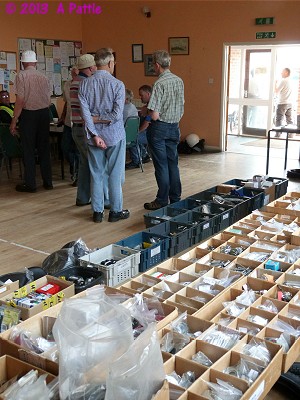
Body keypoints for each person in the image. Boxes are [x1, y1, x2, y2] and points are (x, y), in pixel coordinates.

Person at [78, 47, 129, 223]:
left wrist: (94, 131)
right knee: (115, 175)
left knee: (96, 174)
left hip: (93, 138)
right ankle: (115, 211)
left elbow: (85, 116)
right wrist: (102, 119)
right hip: (114, 135)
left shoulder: (84, 84)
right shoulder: (118, 85)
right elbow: (116, 115)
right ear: (109, 63)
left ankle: (97, 212)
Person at [144, 50, 184, 211]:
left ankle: (161, 200)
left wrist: (145, 111)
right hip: (175, 127)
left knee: (161, 166)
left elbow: (154, 115)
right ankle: (176, 198)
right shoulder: (179, 81)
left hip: (159, 128)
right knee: (173, 164)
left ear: (157, 65)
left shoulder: (159, 84)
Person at [10, 50, 53, 193]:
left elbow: (20, 100)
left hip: (29, 115)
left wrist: (14, 120)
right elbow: (48, 101)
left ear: (22, 63)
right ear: (35, 63)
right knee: (44, 149)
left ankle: (31, 184)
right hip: (44, 114)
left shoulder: (21, 76)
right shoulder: (44, 77)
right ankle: (48, 182)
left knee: (28, 149)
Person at [59, 66, 80, 186]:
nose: (74, 75)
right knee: (65, 148)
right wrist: (62, 117)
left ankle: (77, 174)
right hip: (68, 121)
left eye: (76, 73)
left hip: (78, 122)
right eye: (73, 73)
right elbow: (67, 102)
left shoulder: (83, 83)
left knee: (77, 150)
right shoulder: (67, 85)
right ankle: (74, 166)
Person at [125, 85, 152, 170]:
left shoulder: (152, 107)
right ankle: (144, 155)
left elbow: (146, 124)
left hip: (150, 134)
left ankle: (136, 161)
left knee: (132, 138)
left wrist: (136, 132)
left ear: (148, 94)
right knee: (133, 136)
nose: (140, 98)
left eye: (141, 95)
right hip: (148, 133)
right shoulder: (145, 107)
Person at [274, 67, 294, 136]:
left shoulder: (284, 81)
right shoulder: (291, 81)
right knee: (289, 120)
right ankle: (291, 135)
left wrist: (275, 83)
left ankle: (278, 134)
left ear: (286, 73)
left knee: (279, 119)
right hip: (290, 103)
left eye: (282, 71)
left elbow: (276, 91)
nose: (281, 73)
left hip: (283, 103)